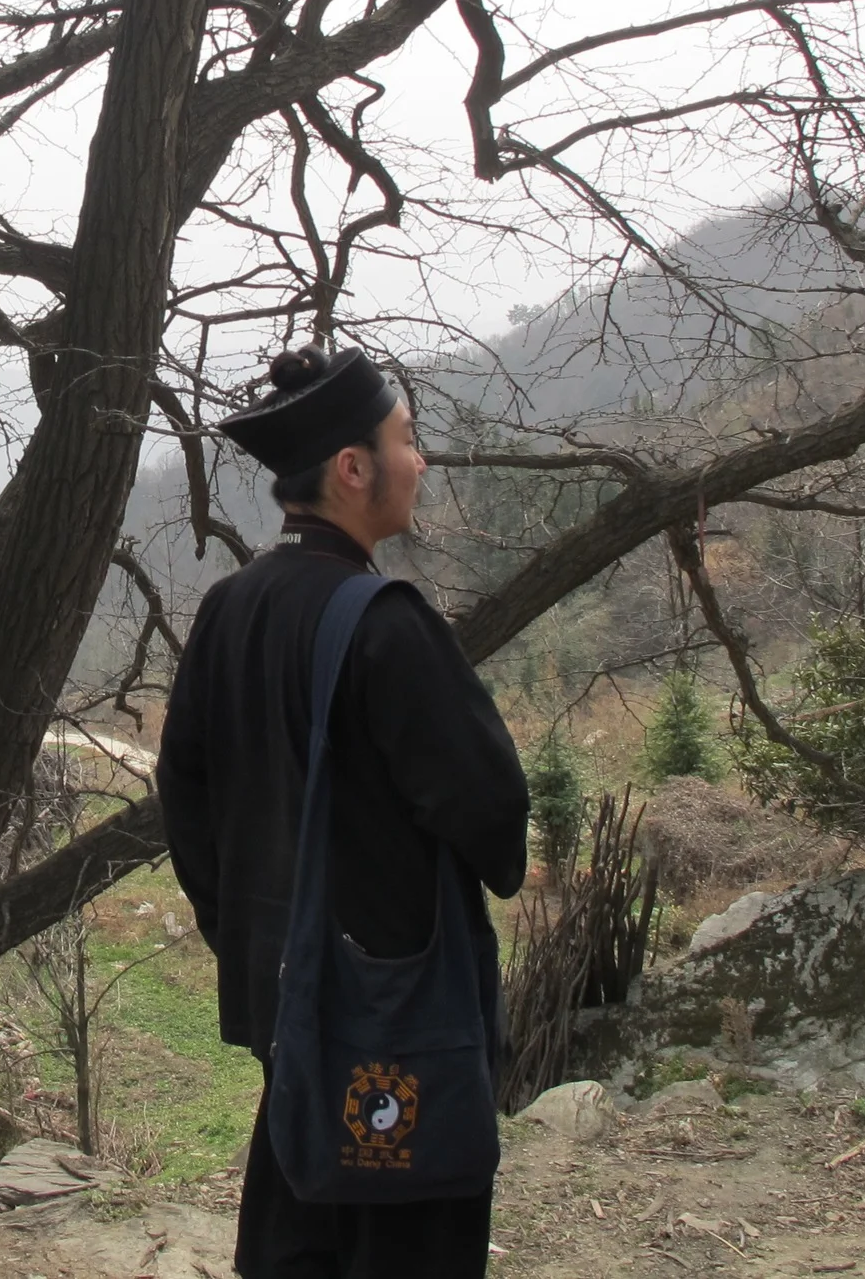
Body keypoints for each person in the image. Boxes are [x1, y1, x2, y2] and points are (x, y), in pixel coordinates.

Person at [158, 347, 532, 1279]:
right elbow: (493, 813)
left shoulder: (227, 612)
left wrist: (250, 938)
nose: (421, 461)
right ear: (351, 468)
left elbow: (185, 796)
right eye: (408, 439)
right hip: (391, 1039)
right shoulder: (386, 622)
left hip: (292, 1026)